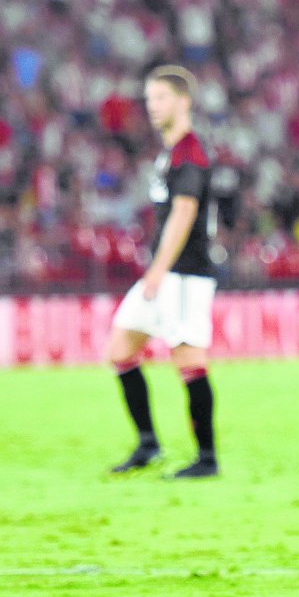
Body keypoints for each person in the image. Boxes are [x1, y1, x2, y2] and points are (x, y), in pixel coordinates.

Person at [106, 65, 218, 479]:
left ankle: (207, 459)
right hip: (165, 273)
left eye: (161, 98)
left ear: (183, 101)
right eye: (149, 99)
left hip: (184, 274)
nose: (152, 106)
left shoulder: (190, 153)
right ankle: (149, 444)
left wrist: (157, 270)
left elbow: (184, 213)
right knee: (120, 348)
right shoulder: (170, 153)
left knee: (189, 359)